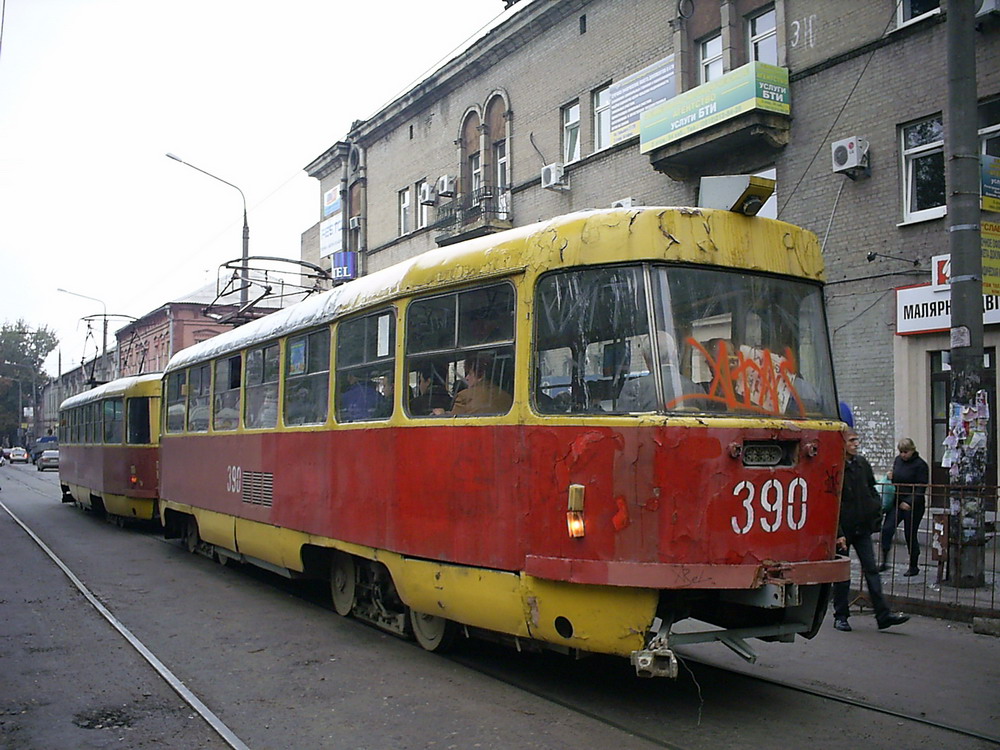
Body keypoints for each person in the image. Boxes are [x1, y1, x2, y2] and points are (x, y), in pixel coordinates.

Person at [832, 429, 909, 632]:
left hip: (862, 527)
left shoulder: (861, 464)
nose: (856, 444)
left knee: (871, 570)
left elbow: (871, 489)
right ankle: (840, 615)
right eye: (852, 441)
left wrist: (875, 512)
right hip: (843, 530)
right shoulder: (835, 466)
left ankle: (883, 615)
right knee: (842, 574)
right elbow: (831, 502)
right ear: (842, 444)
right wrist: (838, 533)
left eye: (857, 440)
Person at [879, 437, 930, 577]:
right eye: (901, 452)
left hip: (914, 506)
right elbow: (896, 478)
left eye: (906, 452)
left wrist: (910, 502)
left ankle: (913, 565)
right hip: (897, 502)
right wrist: (890, 476)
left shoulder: (920, 465)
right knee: (887, 529)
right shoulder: (898, 461)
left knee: (910, 534)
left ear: (912, 450)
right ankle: (884, 561)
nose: (903, 455)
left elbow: (921, 487)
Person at [618, 331, 701, 411]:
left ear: (645, 357)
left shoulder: (633, 389)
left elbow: (622, 419)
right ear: (674, 354)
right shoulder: (696, 390)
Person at [433, 354, 512, 416]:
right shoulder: (507, 396)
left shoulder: (464, 396)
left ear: (481, 375)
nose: (466, 378)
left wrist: (441, 415)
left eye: (469, 374)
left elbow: (453, 423)